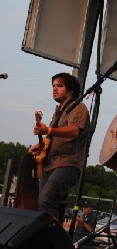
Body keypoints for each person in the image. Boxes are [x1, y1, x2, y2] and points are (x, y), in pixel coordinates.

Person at [29, 72, 90, 223]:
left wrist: (47, 130)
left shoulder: (78, 107)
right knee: (44, 204)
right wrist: (40, 145)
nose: (55, 89)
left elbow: (74, 130)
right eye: (53, 86)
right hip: (50, 164)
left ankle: (50, 242)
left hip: (68, 164)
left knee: (46, 200)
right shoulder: (57, 112)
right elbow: (52, 138)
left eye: (60, 86)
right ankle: (47, 239)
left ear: (70, 90)